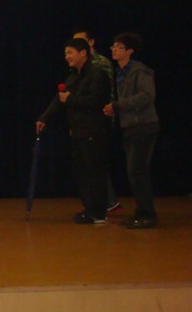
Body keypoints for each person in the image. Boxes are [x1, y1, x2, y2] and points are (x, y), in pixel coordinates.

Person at [36, 38, 111, 224]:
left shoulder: (97, 74)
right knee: (81, 172)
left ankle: (98, 213)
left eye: (70, 52)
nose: (66, 57)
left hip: (93, 131)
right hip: (78, 132)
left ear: (83, 53)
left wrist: (70, 99)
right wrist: (44, 118)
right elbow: (59, 99)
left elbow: (96, 101)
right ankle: (89, 209)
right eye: (65, 53)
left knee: (94, 172)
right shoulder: (73, 77)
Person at [103, 33, 159, 229]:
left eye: (119, 47)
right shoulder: (120, 72)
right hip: (131, 126)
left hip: (144, 125)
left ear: (130, 51)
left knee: (137, 171)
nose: (114, 50)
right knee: (134, 171)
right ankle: (142, 212)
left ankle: (147, 215)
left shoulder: (140, 71)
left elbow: (146, 96)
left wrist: (117, 105)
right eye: (113, 46)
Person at [72, 28, 121, 213]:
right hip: (85, 121)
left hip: (100, 117)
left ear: (91, 43)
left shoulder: (99, 63)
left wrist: (109, 111)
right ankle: (104, 202)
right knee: (88, 163)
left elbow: (105, 91)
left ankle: (105, 203)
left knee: (96, 162)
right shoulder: (79, 67)